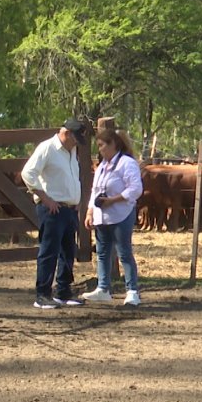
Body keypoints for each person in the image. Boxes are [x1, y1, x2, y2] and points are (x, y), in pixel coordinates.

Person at [20, 117, 88, 309]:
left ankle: (63, 291)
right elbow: (28, 173)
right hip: (53, 209)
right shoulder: (47, 148)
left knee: (68, 251)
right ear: (66, 133)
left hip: (69, 209)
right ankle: (42, 294)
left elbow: (73, 177)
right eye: (75, 139)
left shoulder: (71, 150)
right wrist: (45, 198)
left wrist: (76, 200)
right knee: (49, 251)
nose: (76, 143)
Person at [81, 128, 143, 306]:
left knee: (124, 252)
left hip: (120, 214)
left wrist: (113, 200)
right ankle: (103, 288)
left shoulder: (126, 163)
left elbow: (135, 189)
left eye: (102, 145)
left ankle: (132, 291)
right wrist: (90, 211)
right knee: (102, 253)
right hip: (102, 216)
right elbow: (95, 191)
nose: (99, 149)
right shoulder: (102, 166)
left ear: (113, 144)